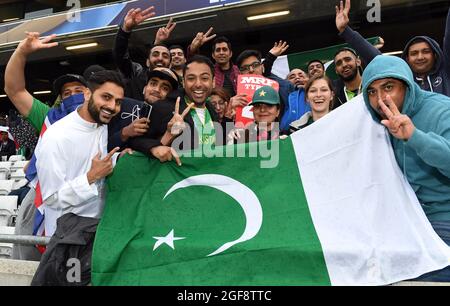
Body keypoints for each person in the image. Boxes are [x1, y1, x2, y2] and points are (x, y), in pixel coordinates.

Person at [31, 70, 126, 286]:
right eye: (106, 97)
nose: (112, 107)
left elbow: (96, 163)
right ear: (87, 94)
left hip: (96, 234)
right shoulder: (57, 137)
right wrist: (91, 177)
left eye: (118, 101)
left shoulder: (101, 125)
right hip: (69, 242)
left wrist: (120, 158)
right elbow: (52, 197)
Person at [362, 55, 450, 281]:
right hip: (396, 218)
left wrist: (414, 136)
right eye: (372, 92)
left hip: (440, 216)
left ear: (408, 85)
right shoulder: (369, 120)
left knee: (427, 274)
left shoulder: (441, 110)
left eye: (388, 87)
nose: (380, 99)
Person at [336, 0, 450, 97]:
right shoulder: (404, 78)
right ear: (407, 59)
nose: (420, 57)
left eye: (426, 51)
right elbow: (375, 57)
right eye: (414, 53)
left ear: (435, 55)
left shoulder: (445, 71)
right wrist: (345, 31)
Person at [128, 55, 219, 161]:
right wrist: (155, 147)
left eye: (204, 78)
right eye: (191, 78)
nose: (198, 84)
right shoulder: (163, 107)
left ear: (213, 82)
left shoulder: (212, 110)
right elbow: (136, 141)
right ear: (184, 83)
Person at [108, 67, 180, 151]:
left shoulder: (172, 121)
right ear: (144, 88)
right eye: (153, 84)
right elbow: (100, 146)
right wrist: (125, 132)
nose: (157, 90)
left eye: (165, 88)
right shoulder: (122, 104)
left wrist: (168, 134)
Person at [113, 6, 172, 100]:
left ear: (170, 64)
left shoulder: (174, 85)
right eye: (155, 55)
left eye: (165, 56)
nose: (160, 58)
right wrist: (125, 31)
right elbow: (121, 56)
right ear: (147, 62)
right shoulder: (136, 74)